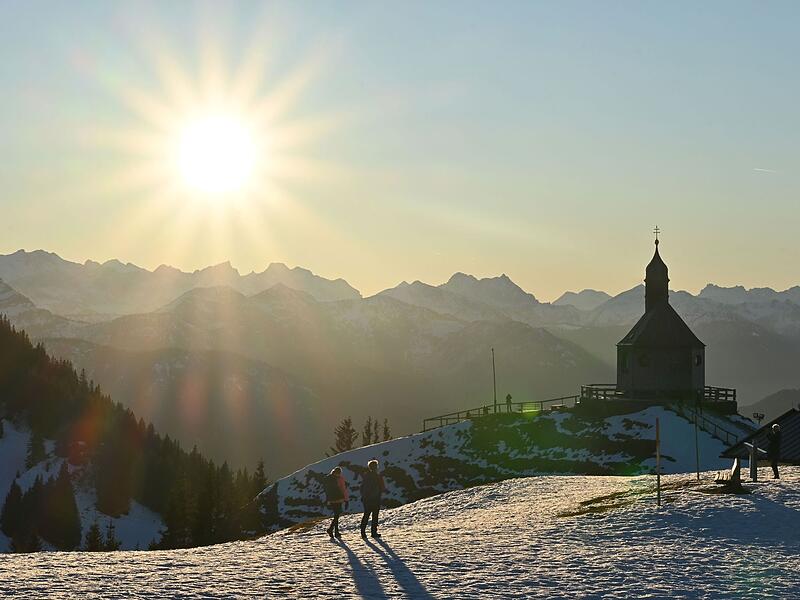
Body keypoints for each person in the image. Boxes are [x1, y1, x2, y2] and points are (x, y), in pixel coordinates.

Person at [360, 459, 386, 539]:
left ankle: (363, 532)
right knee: (375, 516)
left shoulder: (366, 476)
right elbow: (382, 487)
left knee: (366, 515)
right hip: (375, 498)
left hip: (366, 499)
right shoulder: (378, 476)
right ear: (376, 467)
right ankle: (373, 532)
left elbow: (361, 487)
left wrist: (363, 496)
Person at [324, 466, 349, 538]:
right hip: (338, 499)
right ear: (339, 473)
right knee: (337, 515)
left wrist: (328, 500)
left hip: (331, 499)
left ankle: (333, 530)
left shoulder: (328, 478)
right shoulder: (340, 478)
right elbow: (343, 489)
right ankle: (333, 530)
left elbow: (326, 490)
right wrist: (346, 500)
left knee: (336, 515)